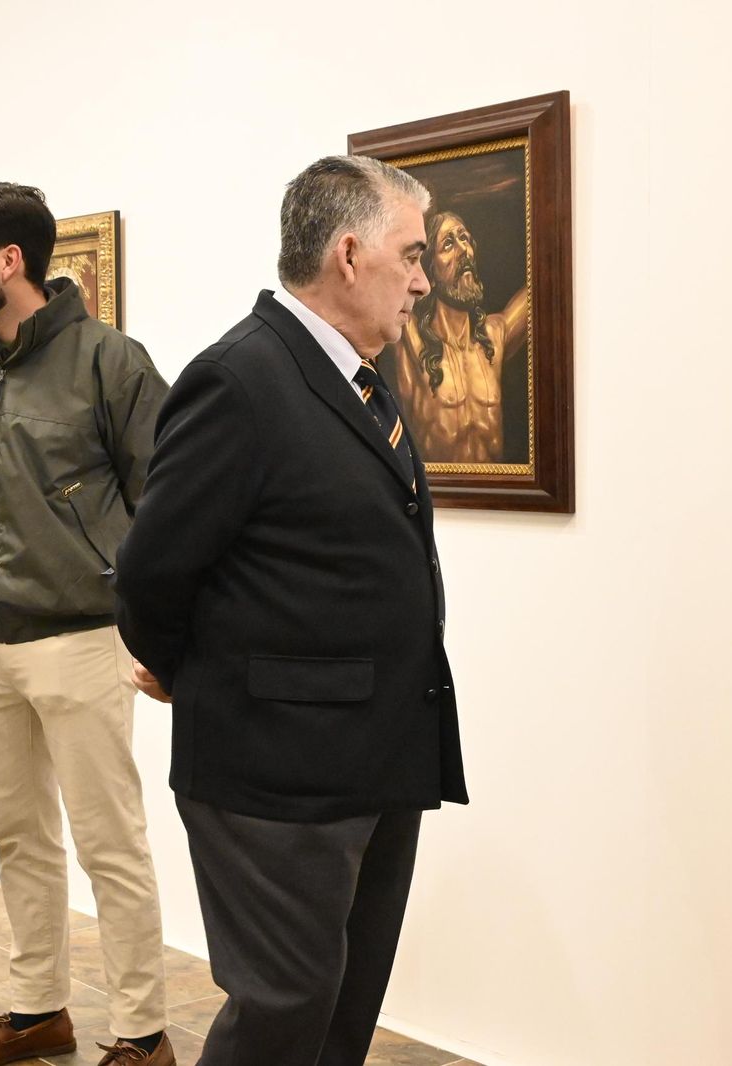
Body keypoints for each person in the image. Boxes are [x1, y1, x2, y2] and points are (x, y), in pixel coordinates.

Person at [115, 155, 469, 1066]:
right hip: (275, 767)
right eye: (412, 255)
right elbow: (151, 573)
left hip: (378, 754)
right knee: (285, 1009)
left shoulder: (363, 377)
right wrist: (198, 676)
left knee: (343, 1009)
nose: (424, 280)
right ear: (350, 255)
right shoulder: (240, 378)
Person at [0, 183, 174, 1066]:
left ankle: (142, 1033)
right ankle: (39, 1011)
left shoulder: (113, 361)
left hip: (81, 639)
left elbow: (167, 508)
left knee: (111, 842)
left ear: (9, 260)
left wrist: (159, 633)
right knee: (17, 836)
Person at [391, 208, 527, 464]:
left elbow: (543, 282)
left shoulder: (495, 334)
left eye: (465, 239)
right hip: (438, 497)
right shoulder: (408, 335)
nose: (463, 250)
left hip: (499, 498)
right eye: (449, 244)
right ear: (429, 268)